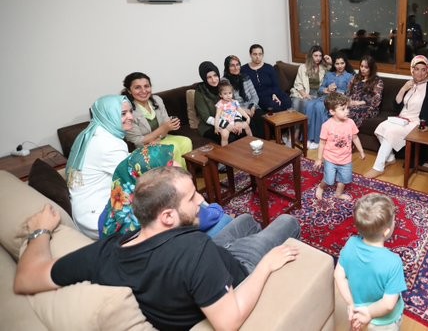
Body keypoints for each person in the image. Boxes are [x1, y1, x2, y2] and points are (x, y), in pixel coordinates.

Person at [14, 166, 302, 330]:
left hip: (213, 260)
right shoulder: (195, 249)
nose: (201, 201)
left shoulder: (107, 250)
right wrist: (267, 266)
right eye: (192, 197)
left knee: (246, 220)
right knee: (287, 222)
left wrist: (41, 231)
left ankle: (250, 237)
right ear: (167, 216)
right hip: (240, 270)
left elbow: (26, 278)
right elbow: (228, 323)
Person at [99, 144, 233, 239]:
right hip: (175, 250)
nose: (175, 164)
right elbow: (209, 217)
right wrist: (216, 208)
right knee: (225, 220)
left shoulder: (109, 213)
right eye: (168, 166)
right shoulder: (162, 206)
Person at [365, 55, 428, 179]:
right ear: (412, 70)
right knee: (380, 128)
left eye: (423, 69)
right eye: (417, 69)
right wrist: (403, 89)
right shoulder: (409, 84)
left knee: (391, 132)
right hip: (400, 119)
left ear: (427, 71)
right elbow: (396, 105)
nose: (420, 73)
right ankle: (391, 158)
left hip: (415, 123)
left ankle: (378, 168)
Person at [334, 193, 407, 330]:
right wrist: (368, 313)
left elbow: (338, 275)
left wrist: (351, 303)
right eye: (393, 221)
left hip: (357, 312)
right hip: (383, 323)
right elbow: (388, 304)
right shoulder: (393, 262)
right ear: (386, 232)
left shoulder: (350, 244)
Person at [65, 95, 133, 239]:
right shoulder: (110, 145)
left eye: (130, 111)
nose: (130, 117)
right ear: (108, 115)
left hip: (83, 210)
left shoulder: (92, 132)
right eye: (123, 113)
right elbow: (134, 177)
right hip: (98, 217)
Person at [122, 72, 193, 169]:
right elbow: (137, 141)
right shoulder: (127, 110)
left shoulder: (157, 100)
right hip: (143, 146)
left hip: (160, 138)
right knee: (174, 147)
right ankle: (174, 176)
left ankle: (184, 173)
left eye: (146, 86)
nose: (143, 91)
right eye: (137, 87)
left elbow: (166, 123)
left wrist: (164, 131)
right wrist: (163, 128)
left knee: (186, 141)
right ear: (129, 91)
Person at [314, 93, 365, 201]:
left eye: (347, 108)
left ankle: (338, 194)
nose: (347, 111)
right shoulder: (326, 126)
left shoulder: (350, 122)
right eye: (343, 109)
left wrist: (361, 151)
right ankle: (321, 187)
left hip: (346, 159)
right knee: (329, 180)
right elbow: (322, 143)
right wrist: (319, 159)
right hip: (330, 159)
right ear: (332, 111)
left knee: (344, 179)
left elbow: (355, 138)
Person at [305, 52, 354, 150]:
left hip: (337, 100)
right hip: (325, 97)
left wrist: (336, 91)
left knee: (319, 106)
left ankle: (318, 140)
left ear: (345, 63)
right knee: (309, 105)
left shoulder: (349, 76)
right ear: (333, 64)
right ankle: (309, 138)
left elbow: (349, 93)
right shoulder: (329, 74)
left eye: (342, 63)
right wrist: (327, 89)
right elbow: (320, 89)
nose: (340, 66)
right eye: (337, 64)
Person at [241, 44, 292, 112]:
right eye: (255, 54)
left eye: (260, 54)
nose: (257, 57)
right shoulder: (244, 69)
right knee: (273, 105)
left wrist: (274, 94)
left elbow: (276, 84)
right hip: (259, 96)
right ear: (250, 55)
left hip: (273, 92)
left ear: (263, 55)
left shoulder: (269, 67)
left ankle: (285, 117)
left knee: (287, 101)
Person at [223, 54, 266, 137]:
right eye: (232, 65)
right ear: (227, 67)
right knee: (250, 122)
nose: (236, 68)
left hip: (251, 107)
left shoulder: (245, 77)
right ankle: (253, 143)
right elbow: (228, 102)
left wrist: (252, 107)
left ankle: (263, 142)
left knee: (261, 117)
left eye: (237, 64)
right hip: (237, 111)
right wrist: (244, 110)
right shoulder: (225, 82)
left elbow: (255, 96)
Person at [289, 44, 331, 113]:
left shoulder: (323, 68)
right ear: (311, 56)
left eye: (320, 56)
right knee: (296, 103)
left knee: (310, 105)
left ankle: (307, 120)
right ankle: (297, 119)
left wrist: (330, 62)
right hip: (304, 92)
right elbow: (298, 84)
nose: (318, 58)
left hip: (317, 93)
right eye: (316, 56)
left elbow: (332, 73)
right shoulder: (303, 67)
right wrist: (304, 94)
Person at [347, 55, 384, 128]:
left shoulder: (377, 81)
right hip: (352, 103)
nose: (363, 69)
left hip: (368, 107)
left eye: (366, 67)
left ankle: (350, 132)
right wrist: (349, 101)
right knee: (339, 110)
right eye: (361, 66)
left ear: (371, 68)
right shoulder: (355, 77)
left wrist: (359, 103)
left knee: (352, 112)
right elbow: (348, 91)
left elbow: (376, 100)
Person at [214, 80, 252, 146]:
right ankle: (225, 149)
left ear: (232, 93)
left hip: (235, 121)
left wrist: (247, 117)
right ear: (220, 95)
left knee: (246, 125)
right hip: (226, 123)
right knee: (224, 135)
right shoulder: (220, 104)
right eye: (225, 94)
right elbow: (217, 115)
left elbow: (240, 110)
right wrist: (216, 126)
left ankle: (251, 140)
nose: (228, 95)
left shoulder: (234, 102)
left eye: (230, 93)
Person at [194, 61, 223, 144]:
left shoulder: (223, 86)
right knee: (228, 136)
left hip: (227, 119)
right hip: (208, 126)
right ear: (204, 78)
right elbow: (205, 117)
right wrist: (225, 125)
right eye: (209, 77)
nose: (213, 80)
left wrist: (235, 122)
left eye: (215, 75)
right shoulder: (200, 91)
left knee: (242, 130)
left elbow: (232, 105)